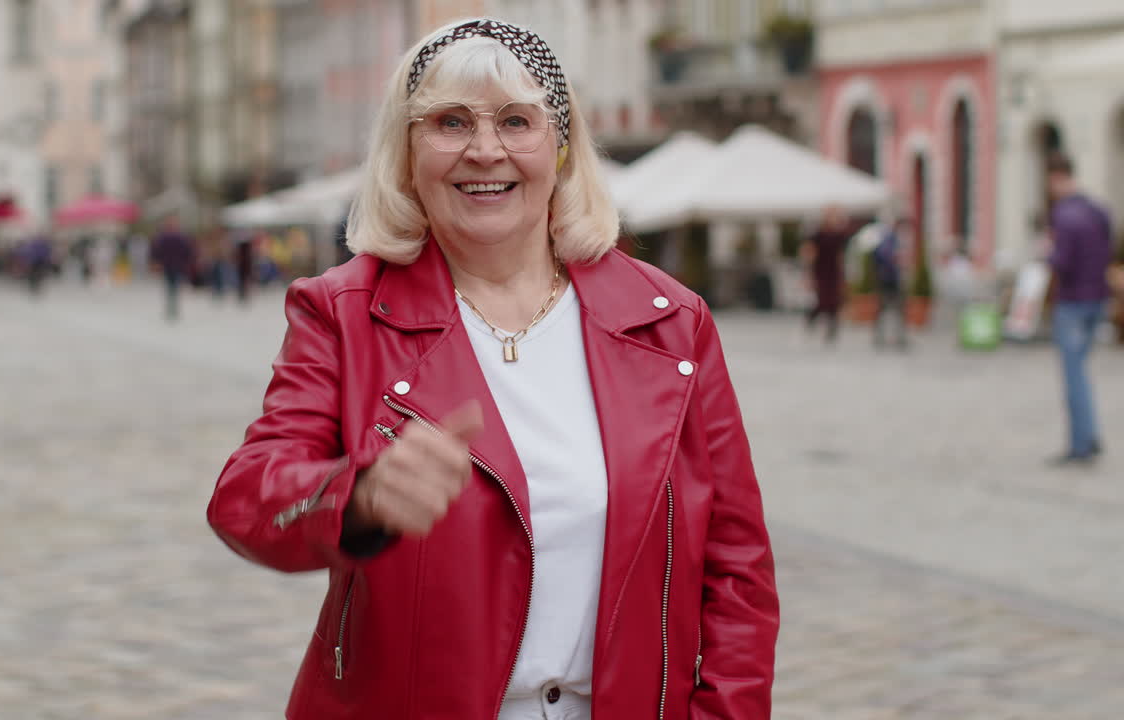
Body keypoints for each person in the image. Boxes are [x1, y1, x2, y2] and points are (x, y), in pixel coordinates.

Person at [207, 19, 778, 720]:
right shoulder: (343, 314)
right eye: (450, 123)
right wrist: (355, 495)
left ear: (561, 149)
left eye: (516, 122)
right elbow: (245, 501)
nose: (485, 151)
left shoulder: (668, 320)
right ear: (406, 154)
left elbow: (738, 569)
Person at [1044, 154, 1112, 464]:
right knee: (1082, 372)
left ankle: (1080, 446)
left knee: (1074, 376)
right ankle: (1090, 434)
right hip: (1098, 298)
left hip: (1072, 301)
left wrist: (1047, 256)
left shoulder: (1064, 214)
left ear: (1056, 178)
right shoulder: (1098, 211)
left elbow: (1064, 261)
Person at [803, 206, 850, 343]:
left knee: (834, 300)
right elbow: (809, 253)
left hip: (833, 271)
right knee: (822, 300)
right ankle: (811, 319)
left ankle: (832, 330)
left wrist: (843, 275)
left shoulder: (839, 235)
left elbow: (841, 256)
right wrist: (808, 274)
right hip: (821, 270)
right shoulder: (817, 235)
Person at [872, 217, 911, 349]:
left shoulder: (893, 239)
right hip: (888, 279)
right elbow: (885, 256)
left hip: (890, 278)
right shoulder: (890, 239)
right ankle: (884, 336)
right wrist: (896, 261)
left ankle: (896, 336)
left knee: (895, 310)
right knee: (890, 308)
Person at [150, 215, 194, 321]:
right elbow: (156, 251)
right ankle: (171, 309)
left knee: (173, 287)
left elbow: (187, 251)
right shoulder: (166, 237)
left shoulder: (175, 237)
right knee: (171, 287)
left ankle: (173, 309)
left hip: (176, 266)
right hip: (169, 265)